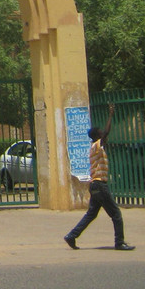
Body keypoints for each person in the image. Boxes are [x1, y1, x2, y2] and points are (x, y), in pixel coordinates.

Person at [65, 104, 134, 250]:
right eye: (101, 133)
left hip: (94, 186)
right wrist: (110, 115)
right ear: (97, 136)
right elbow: (106, 133)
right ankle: (119, 242)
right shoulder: (97, 145)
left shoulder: (94, 148)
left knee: (91, 214)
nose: (104, 134)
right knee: (116, 214)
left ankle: (71, 236)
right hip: (99, 185)